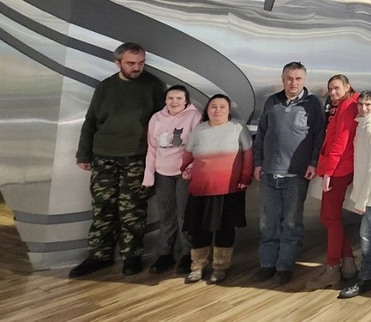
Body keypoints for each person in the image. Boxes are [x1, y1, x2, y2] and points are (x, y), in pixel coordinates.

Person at [69, 42, 165, 278]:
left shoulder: (154, 86)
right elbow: (91, 121)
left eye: (141, 63)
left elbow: (163, 123)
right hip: (103, 156)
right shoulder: (105, 87)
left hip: (136, 157)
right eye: (131, 63)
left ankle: (132, 256)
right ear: (117, 62)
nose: (137, 68)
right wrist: (83, 154)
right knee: (102, 208)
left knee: (132, 209)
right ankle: (99, 256)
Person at [253, 62, 326, 285]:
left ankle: (285, 266)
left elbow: (319, 136)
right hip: (269, 173)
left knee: (291, 223)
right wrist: (258, 163)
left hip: (296, 175)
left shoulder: (313, 104)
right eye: (289, 78)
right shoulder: (272, 102)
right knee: (268, 222)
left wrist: (313, 163)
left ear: (304, 80)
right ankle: (267, 264)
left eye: (298, 79)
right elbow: (261, 133)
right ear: (283, 79)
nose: (293, 83)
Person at [181, 95, 253, 284]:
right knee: (199, 229)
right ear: (207, 110)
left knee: (225, 229)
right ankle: (197, 267)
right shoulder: (199, 129)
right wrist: (185, 169)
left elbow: (248, 154)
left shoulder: (238, 127)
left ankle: (220, 267)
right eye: (213, 106)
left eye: (222, 106)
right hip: (201, 188)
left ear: (229, 110)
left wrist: (245, 178)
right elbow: (188, 155)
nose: (218, 110)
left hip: (229, 188)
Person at [143, 85, 203, 275]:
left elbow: (198, 146)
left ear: (186, 101)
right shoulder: (156, 118)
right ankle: (165, 253)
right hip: (163, 173)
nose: (174, 102)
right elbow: (152, 148)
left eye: (179, 98)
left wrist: (191, 168)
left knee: (184, 214)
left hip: (184, 173)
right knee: (167, 215)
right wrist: (148, 175)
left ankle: (187, 253)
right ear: (165, 100)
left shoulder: (195, 116)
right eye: (170, 98)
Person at [309, 75, 360, 289]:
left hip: (339, 169)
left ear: (347, 87)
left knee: (329, 217)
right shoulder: (344, 105)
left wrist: (328, 171)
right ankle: (348, 265)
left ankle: (332, 269)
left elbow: (341, 141)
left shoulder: (347, 106)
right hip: (339, 167)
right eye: (330, 89)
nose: (332, 92)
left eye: (337, 88)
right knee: (331, 218)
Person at [339, 91, 371, 299]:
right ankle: (368, 274)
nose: (363, 108)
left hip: (370, 192)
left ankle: (366, 277)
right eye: (360, 104)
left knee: (367, 236)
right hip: (366, 189)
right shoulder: (363, 123)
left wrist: (362, 198)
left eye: (368, 104)